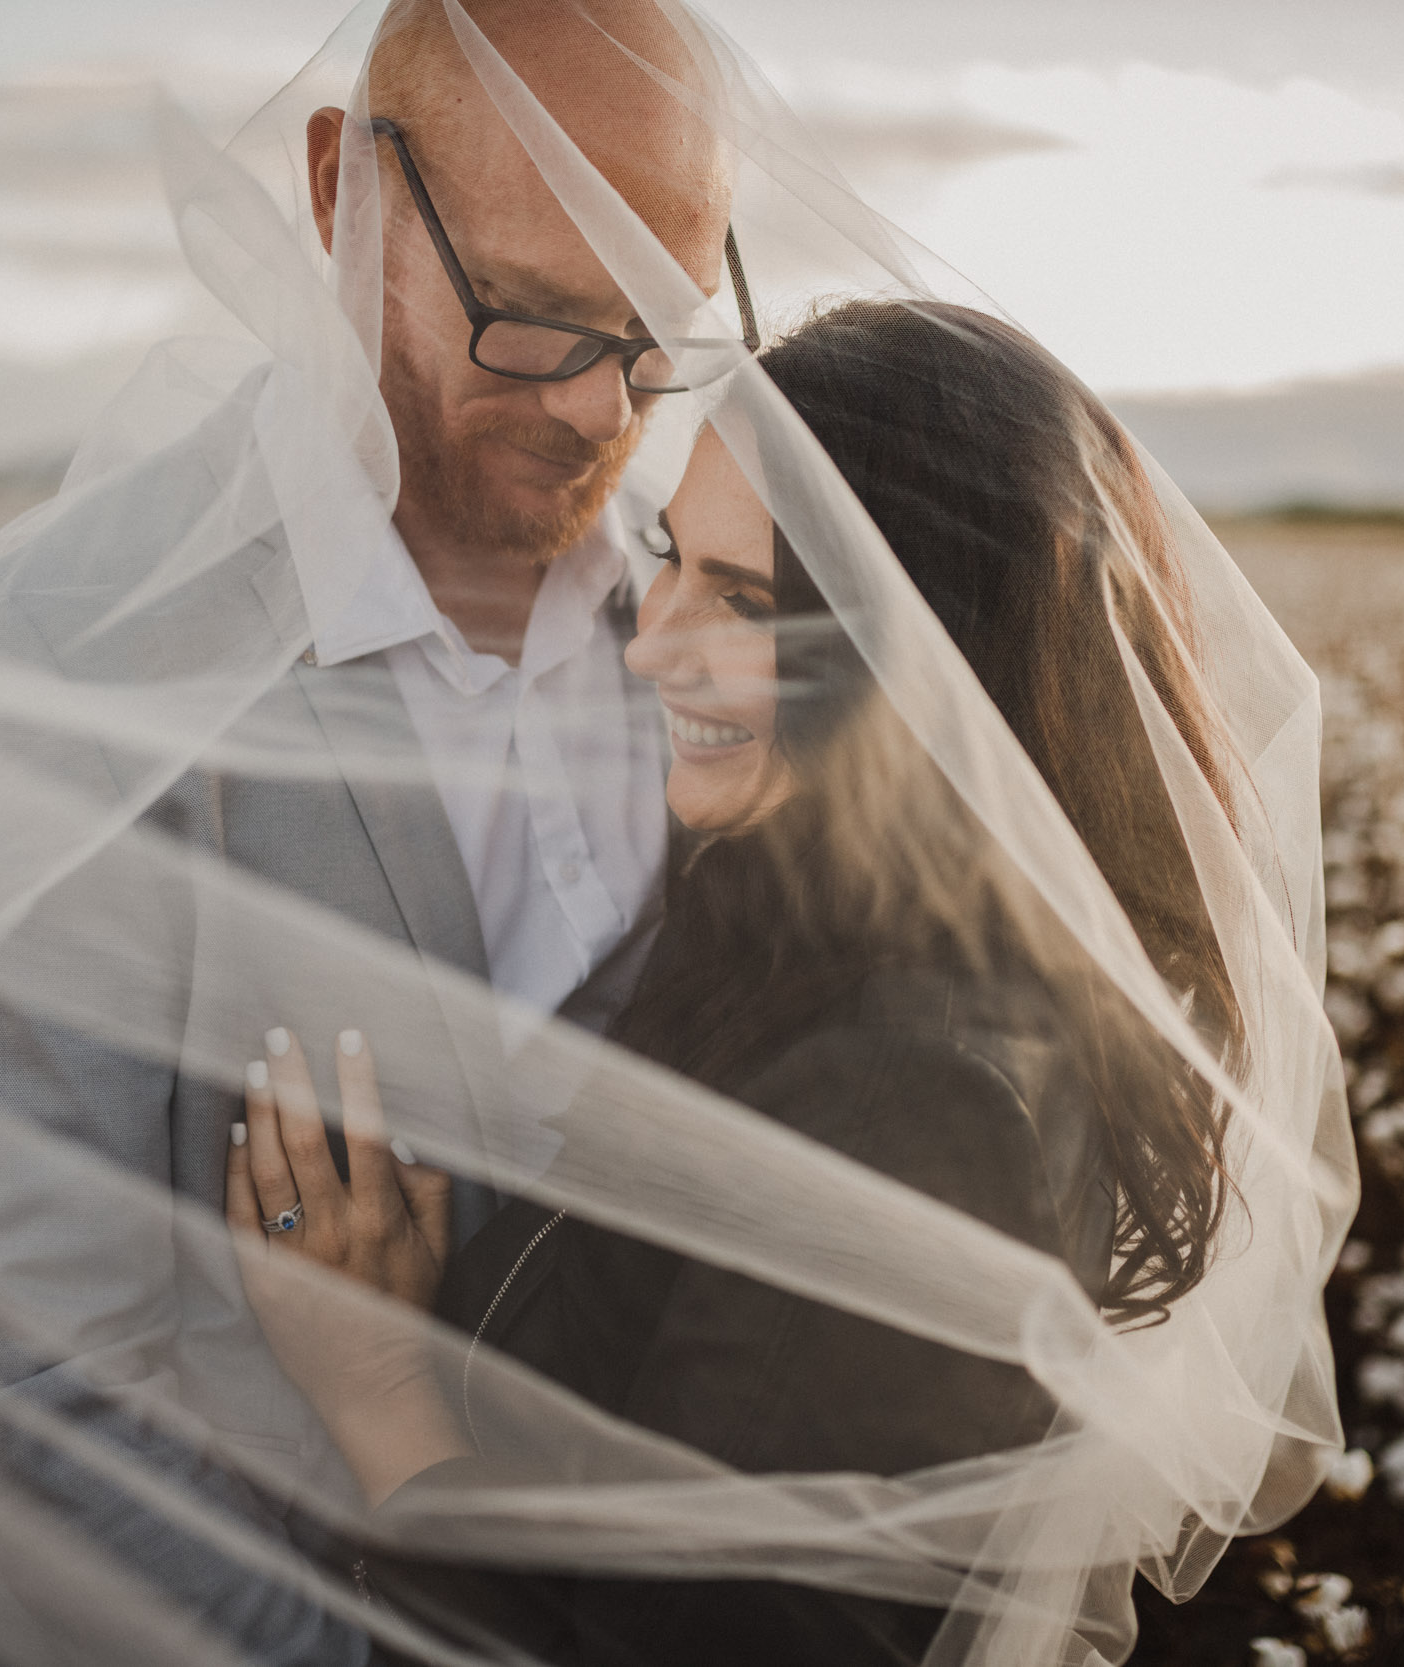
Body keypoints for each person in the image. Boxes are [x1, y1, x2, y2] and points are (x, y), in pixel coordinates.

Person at [0, 4, 747, 1662]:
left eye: (658, 330)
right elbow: (28, 1376)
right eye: (534, 318)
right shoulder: (79, 653)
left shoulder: (713, 640)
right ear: (344, 188)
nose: (601, 406)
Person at [223, 298, 1248, 1663]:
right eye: (671, 562)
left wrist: (377, 1393)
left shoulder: (911, 1105)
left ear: (926, 659)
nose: (652, 643)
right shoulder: (802, 934)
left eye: (747, 602)